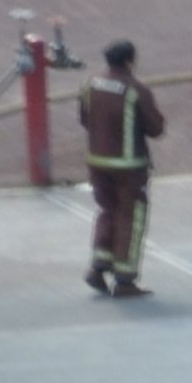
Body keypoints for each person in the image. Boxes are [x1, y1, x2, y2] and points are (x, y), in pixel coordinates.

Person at [73, 37, 160, 298]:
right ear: (129, 61)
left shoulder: (90, 84)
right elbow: (156, 128)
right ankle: (125, 280)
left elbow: (84, 118)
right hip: (129, 166)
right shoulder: (135, 90)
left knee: (107, 211)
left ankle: (98, 268)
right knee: (130, 218)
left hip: (97, 161)